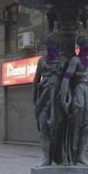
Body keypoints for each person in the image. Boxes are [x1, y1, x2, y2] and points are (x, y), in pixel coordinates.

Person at [32, 32, 68, 166]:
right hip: (44, 97)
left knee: (58, 127)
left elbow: (68, 80)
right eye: (47, 45)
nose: (49, 48)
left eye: (52, 45)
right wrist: (34, 98)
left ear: (57, 46)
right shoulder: (42, 61)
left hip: (58, 97)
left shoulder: (64, 60)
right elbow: (36, 80)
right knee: (43, 126)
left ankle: (61, 156)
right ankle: (46, 157)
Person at [61, 35, 88, 166]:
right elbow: (66, 78)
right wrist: (65, 97)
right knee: (76, 126)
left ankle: (81, 155)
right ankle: (73, 155)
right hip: (79, 92)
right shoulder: (75, 60)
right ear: (83, 47)